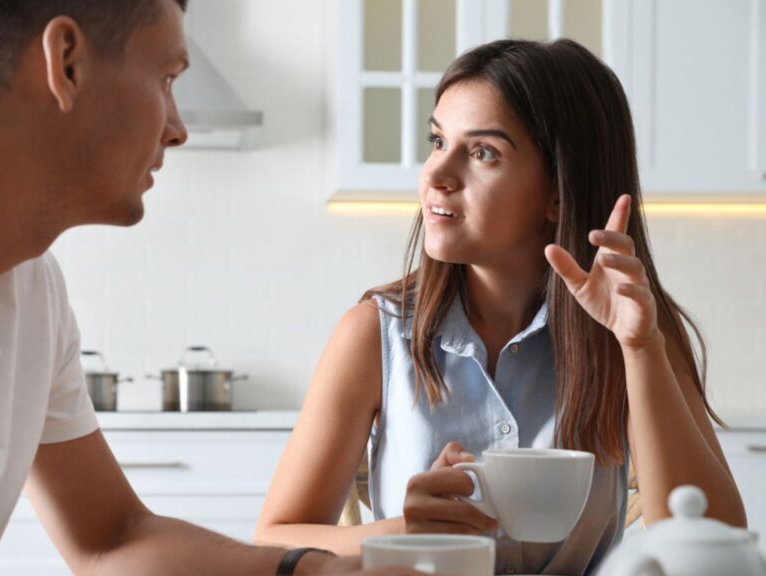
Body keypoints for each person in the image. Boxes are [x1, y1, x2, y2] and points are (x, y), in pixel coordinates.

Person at [0, 1, 425, 575]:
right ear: (65, 62)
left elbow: (113, 537)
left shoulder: (28, 286)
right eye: (165, 76)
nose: (177, 126)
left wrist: (312, 570)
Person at [255, 38, 747, 575]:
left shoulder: (634, 331)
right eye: (437, 140)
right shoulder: (375, 333)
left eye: (483, 152)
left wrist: (640, 347)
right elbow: (273, 539)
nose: (436, 175)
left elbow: (715, 542)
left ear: (558, 192)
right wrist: (405, 532)